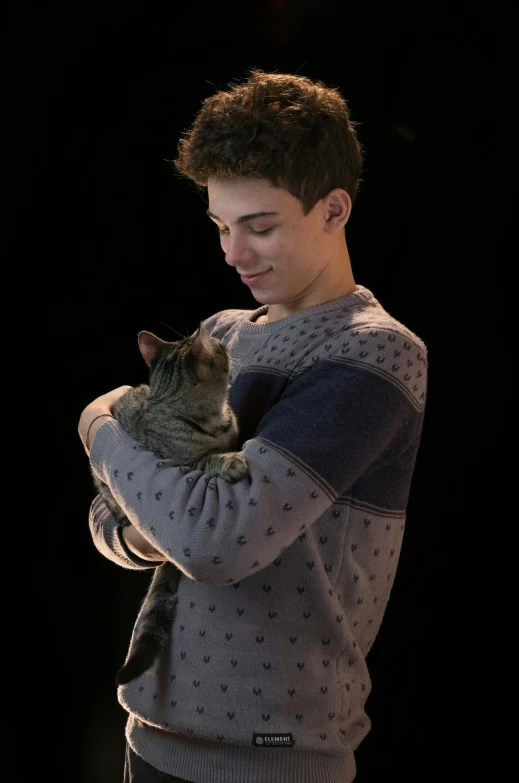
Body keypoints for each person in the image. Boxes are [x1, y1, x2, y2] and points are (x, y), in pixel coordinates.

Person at [79, 68, 428, 783]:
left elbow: (215, 542)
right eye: (221, 226)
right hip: (148, 737)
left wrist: (97, 428)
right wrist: (150, 522)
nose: (232, 254)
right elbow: (109, 517)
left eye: (259, 227)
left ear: (335, 209)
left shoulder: (374, 352)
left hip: (272, 761)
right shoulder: (218, 335)